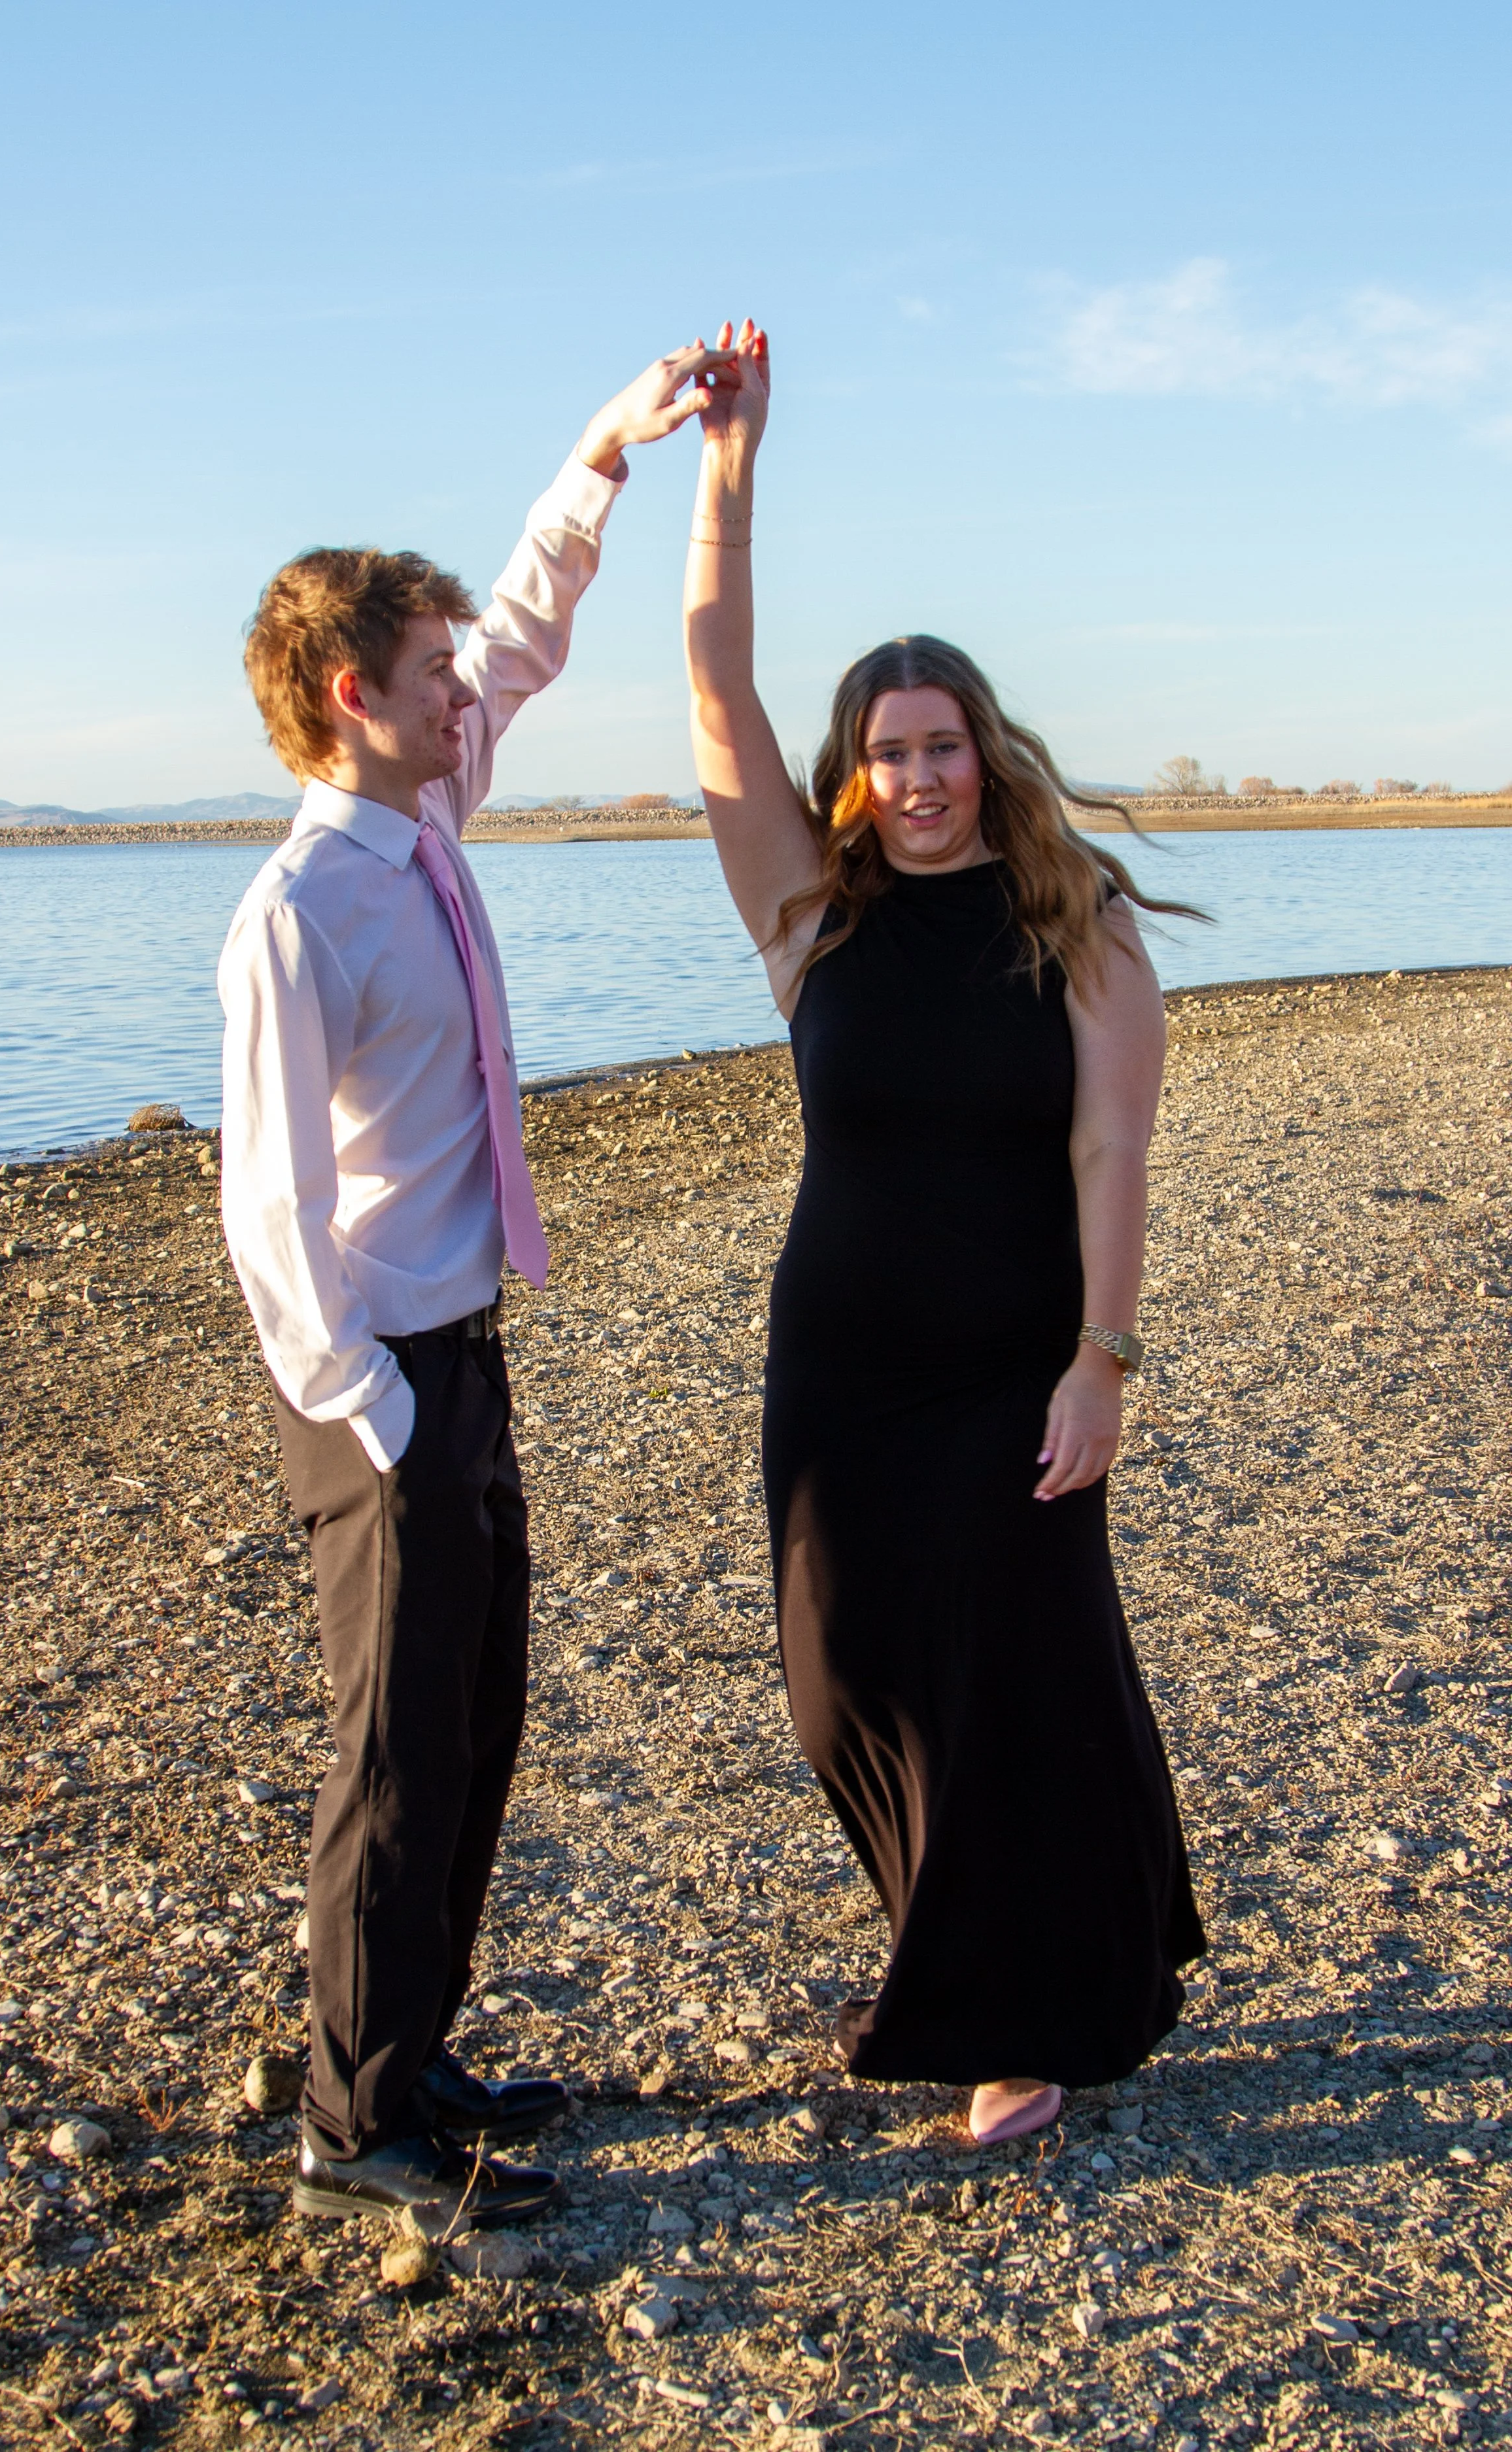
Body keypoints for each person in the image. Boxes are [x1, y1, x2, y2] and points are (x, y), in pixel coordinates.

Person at [218, 343, 729, 2226]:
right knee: (394, 1733)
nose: (472, 694)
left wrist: (605, 449)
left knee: (482, 1702)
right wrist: (377, 1406)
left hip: (463, 1340)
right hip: (379, 1376)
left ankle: (415, 2043)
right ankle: (357, 2130)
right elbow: (267, 1211)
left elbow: (521, 626)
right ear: (357, 699)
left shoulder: (426, 820)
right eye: (434, 679)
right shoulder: (296, 913)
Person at [683, 320, 1206, 2145]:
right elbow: (712, 681)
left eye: (946, 743)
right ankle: (1004, 1931)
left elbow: (1112, 1152)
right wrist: (730, 467)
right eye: (889, 750)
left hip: (1015, 1362)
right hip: (839, 1363)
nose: (921, 775)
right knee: (844, 1687)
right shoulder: (807, 923)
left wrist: (1103, 1362)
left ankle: (1015, 2010)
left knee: (1026, 1676)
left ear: (987, 750)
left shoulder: (1080, 922)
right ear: (853, 769)